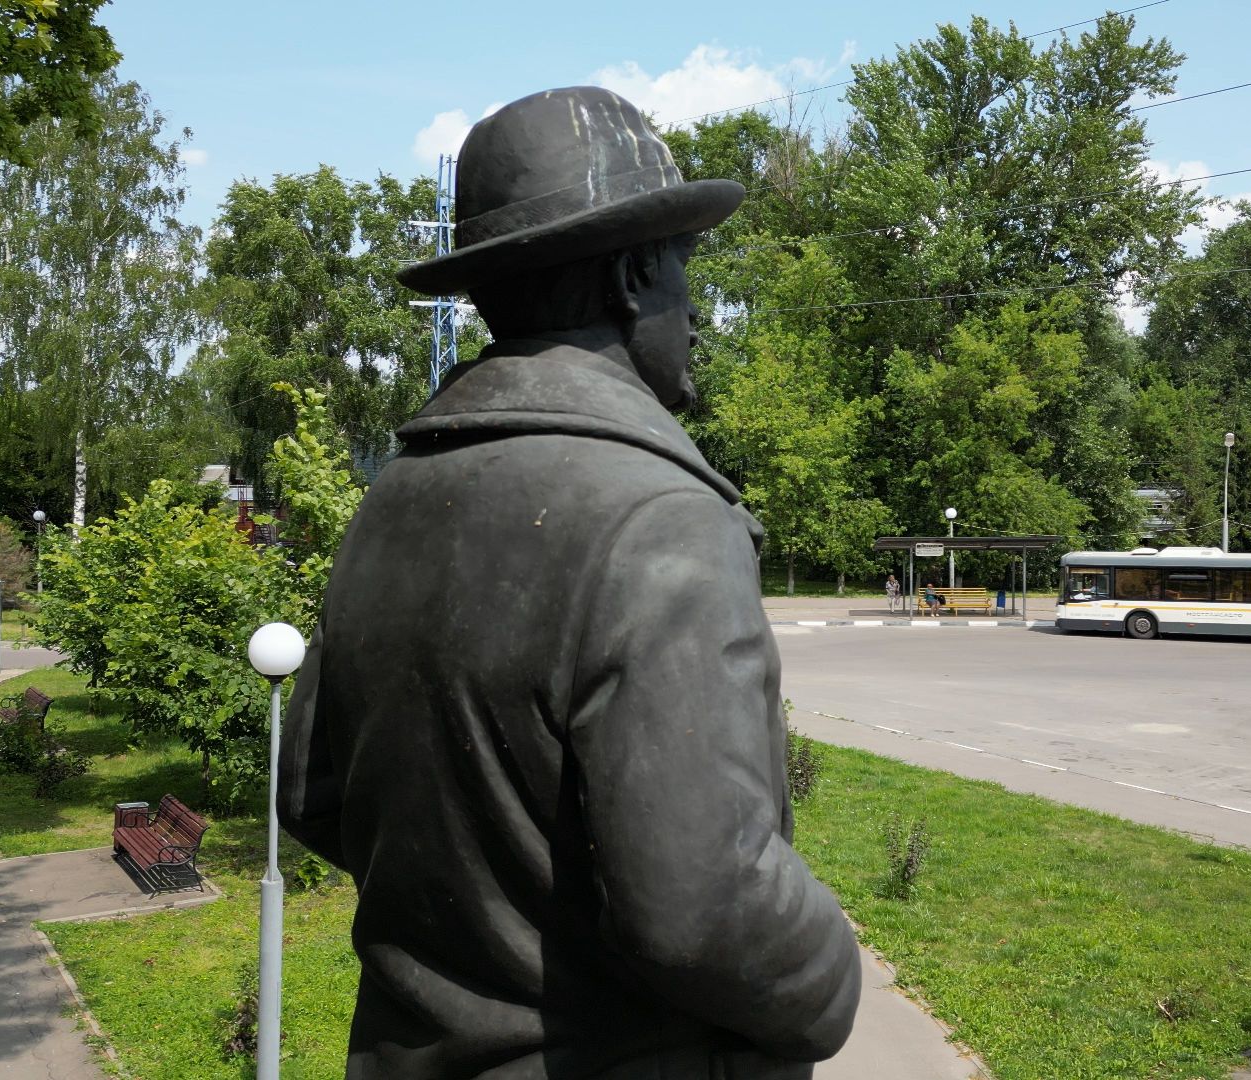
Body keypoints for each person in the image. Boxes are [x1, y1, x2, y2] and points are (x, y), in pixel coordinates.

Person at [280, 87, 859, 1080]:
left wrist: (493, 917)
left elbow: (309, 791)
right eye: (683, 269)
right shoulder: (661, 521)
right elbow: (706, 907)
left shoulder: (390, 500)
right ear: (634, 277)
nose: (697, 313)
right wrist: (832, 978)